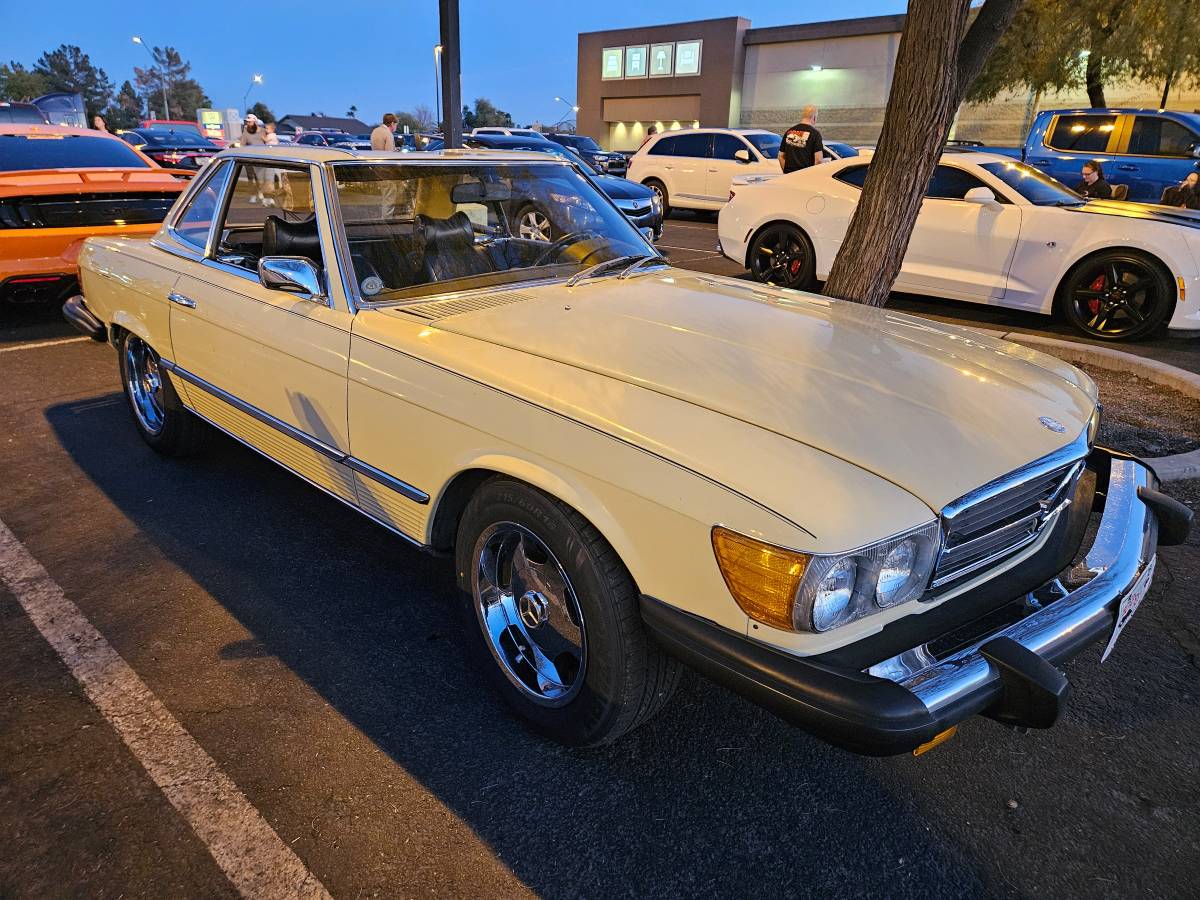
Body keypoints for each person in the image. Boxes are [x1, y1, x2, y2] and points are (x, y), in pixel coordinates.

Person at [779, 105, 825, 173]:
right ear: (814, 117)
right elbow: (818, 160)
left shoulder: (789, 132)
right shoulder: (815, 134)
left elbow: (780, 156)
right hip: (805, 177)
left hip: (789, 177)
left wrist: (786, 172)